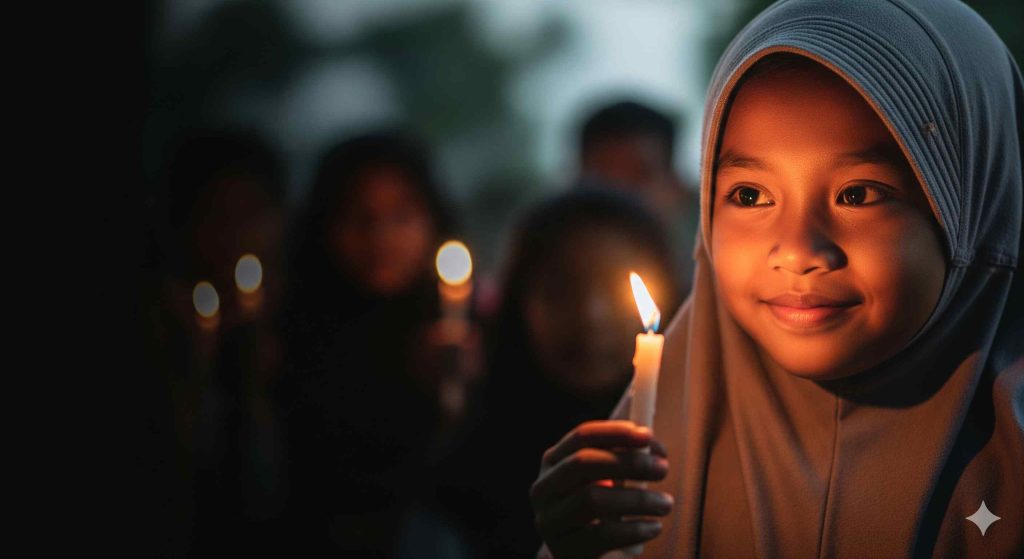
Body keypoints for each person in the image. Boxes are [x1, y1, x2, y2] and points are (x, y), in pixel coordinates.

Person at [530, 0, 1023, 557]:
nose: (796, 251)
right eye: (749, 196)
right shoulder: (644, 479)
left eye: (857, 194)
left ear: (978, 206)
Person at [439, 186, 682, 558]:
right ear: (519, 300)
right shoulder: (465, 466)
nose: (589, 316)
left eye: (611, 288)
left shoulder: (701, 443)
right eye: (559, 290)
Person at [276, 131, 468, 556]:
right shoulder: (286, 334)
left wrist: (460, 387)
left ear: (432, 219)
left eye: (400, 215)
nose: (378, 236)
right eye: (356, 216)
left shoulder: (464, 332)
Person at [577, 101, 699, 293]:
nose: (619, 196)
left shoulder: (715, 297)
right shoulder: (545, 298)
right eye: (603, 180)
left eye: (639, 176)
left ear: (677, 188)